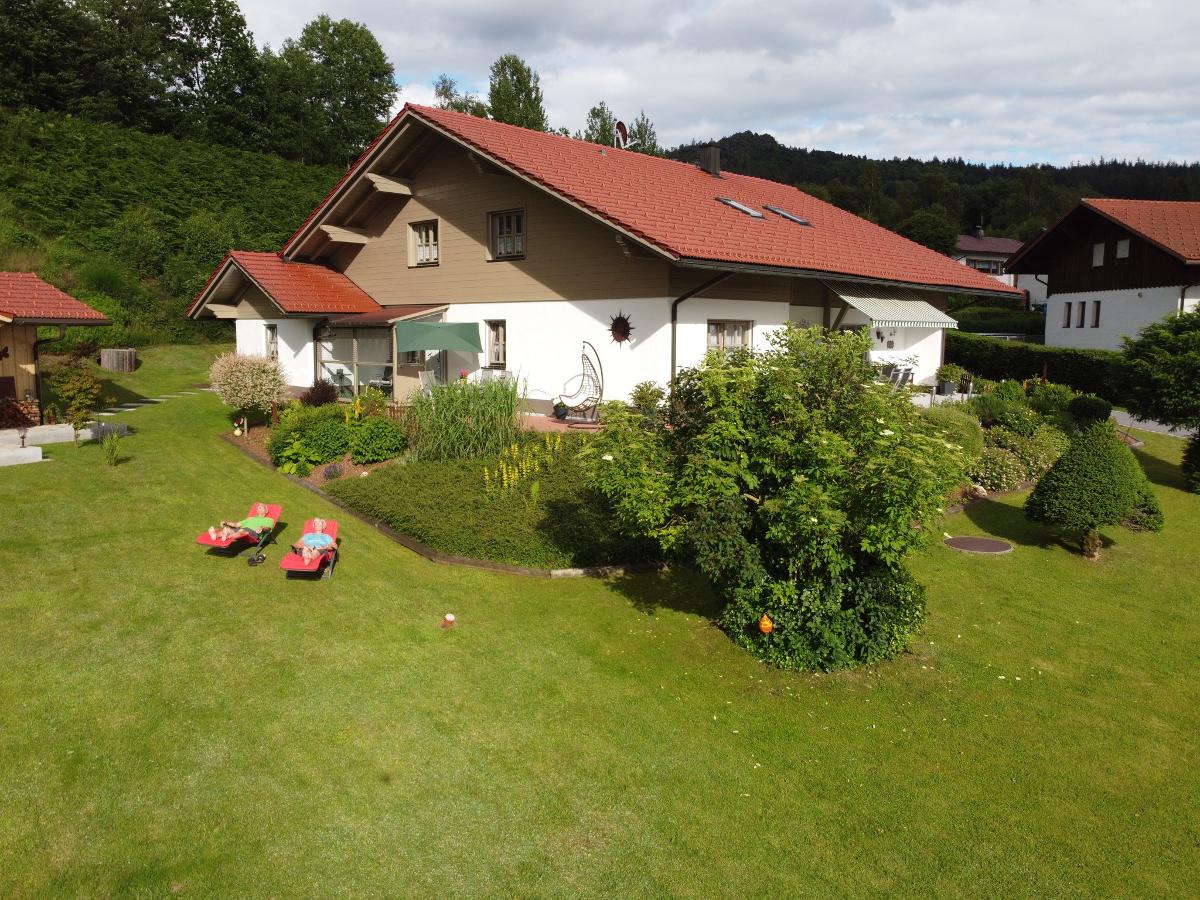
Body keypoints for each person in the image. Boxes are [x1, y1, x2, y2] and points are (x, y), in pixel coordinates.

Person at [208, 503, 273, 542]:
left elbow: (268, 528)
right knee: (229, 529)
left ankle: (227, 536)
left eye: (261, 507)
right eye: (258, 507)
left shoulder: (269, 520)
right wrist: (226, 523)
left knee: (242, 530)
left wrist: (261, 527)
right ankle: (215, 535)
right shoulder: (250, 518)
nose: (258, 508)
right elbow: (236, 524)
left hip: (253, 532)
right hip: (242, 530)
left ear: (266, 511)